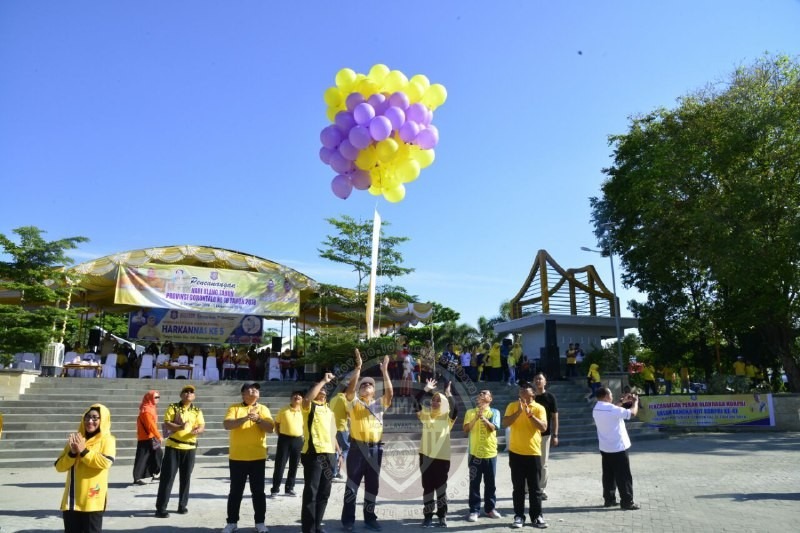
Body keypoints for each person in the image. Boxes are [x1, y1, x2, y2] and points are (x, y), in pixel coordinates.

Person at [341, 349, 393, 532]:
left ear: (373, 390)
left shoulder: (379, 404)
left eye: (369, 385)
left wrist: (385, 371)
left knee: (372, 485)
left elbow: (390, 394)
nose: (365, 387)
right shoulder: (354, 403)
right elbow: (349, 392)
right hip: (357, 448)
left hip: (375, 449)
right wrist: (358, 369)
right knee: (352, 485)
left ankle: (370, 518)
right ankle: (348, 521)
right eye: (362, 385)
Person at [222, 382, 274, 533]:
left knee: (258, 491)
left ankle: (260, 522)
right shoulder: (235, 408)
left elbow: (270, 428)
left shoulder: (263, 409)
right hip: (238, 457)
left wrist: (258, 419)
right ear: (243, 394)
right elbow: (227, 425)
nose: (254, 391)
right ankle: (231, 522)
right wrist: (245, 418)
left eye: (256, 389)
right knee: (235, 491)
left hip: (257, 456)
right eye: (250, 389)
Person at [55, 404, 116, 533]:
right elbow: (59, 466)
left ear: (103, 420)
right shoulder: (76, 439)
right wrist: (72, 453)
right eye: (87, 417)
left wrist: (83, 451)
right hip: (72, 501)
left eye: (95, 418)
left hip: (92, 500)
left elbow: (105, 462)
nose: (90, 421)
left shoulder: (108, 440)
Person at [502, 381, 548, 529]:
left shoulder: (539, 408)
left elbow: (543, 427)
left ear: (532, 394)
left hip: (533, 452)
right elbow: (505, 423)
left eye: (525, 389)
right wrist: (518, 412)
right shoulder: (512, 406)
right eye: (521, 389)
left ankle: (537, 516)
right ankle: (518, 516)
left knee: (535, 488)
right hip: (516, 452)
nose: (521, 390)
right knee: (518, 487)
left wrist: (530, 415)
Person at [155, 385, 205, 518]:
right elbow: (167, 423)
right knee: (167, 478)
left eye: (191, 392)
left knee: (186, 478)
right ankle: (161, 508)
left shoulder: (197, 410)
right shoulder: (173, 407)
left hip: (190, 447)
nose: (188, 393)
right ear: (181, 394)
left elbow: (201, 425)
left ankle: (182, 505)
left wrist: (198, 430)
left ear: (194, 396)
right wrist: (180, 426)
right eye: (186, 391)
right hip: (174, 447)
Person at [415, 379, 458, 527]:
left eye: (439, 401)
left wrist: (448, 394)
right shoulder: (426, 414)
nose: (435, 402)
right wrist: (426, 389)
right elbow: (415, 402)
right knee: (427, 488)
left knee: (441, 488)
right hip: (425, 456)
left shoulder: (447, 417)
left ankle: (442, 516)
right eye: (434, 400)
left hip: (442, 458)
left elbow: (455, 409)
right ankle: (427, 516)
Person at [592, 386, 641, 510]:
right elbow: (632, 413)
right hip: (618, 447)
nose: (612, 397)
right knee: (623, 476)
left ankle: (609, 499)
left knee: (608, 475)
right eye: (611, 395)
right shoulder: (611, 409)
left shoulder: (596, 408)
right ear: (606, 396)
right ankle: (627, 501)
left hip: (605, 447)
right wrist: (635, 402)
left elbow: (612, 409)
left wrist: (621, 402)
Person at [300, 372, 337, 533]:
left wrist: (338, 453)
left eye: (324, 390)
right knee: (311, 492)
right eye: (319, 389)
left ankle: (317, 525)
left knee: (324, 492)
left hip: (329, 454)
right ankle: (308, 529)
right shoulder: (309, 407)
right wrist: (323, 381)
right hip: (313, 453)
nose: (323, 391)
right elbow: (307, 399)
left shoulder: (329, 411)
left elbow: (332, 433)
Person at [463, 389, 502, 523]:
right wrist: (476, 417)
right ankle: (474, 510)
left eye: (484, 393)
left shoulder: (494, 412)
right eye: (480, 393)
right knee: (474, 484)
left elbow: (494, 427)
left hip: (490, 453)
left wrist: (484, 418)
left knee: (490, 483)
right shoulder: (470, 412)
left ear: (490, 399)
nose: (481, 395)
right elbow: (466, 429)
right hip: (475, 454)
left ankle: (490, 509)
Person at [270, 390, 304, 497]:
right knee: (280, 465)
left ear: (302, 399)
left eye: (299, 396)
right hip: (284, 439)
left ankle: (290, 488)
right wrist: (281, 435)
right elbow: (277, 424)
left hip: (298, 440)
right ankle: (275, 489)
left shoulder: (304, 411)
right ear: (291, 398)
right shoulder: (284, 410)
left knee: (294, 465)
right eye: (295, 395)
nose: (297, 397)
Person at [533, 373, 559, 500]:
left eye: (540, 379)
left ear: (545, 381)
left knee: (543, 463)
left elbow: (555, 417)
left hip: (545, 435)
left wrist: (555, 434)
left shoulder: (550, 397)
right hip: (530, 435)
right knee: (530, 462)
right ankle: (529, 488)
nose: (538, 381)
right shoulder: (530, 397)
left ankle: (541, 489)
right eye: (536, 379)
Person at [133, 390, 163, 485]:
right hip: (147, 437)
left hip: (148, 437)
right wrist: (159, 436)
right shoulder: (147, 410)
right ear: (150, 398)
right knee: (144, 457)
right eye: (155, 397)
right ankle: (137, 478)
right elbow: (150, 425)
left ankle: (154, 474)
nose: (157, 399)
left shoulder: (150, 408)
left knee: (155, 455)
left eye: (158, 397)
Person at [329, 387, 350, 482]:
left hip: (332, 428)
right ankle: (338, 471)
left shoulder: (333, 399)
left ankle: (333, 472)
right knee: (346, 448)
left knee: (335, 450)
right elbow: (350, 413)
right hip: (342, 428)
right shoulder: (344, 399)